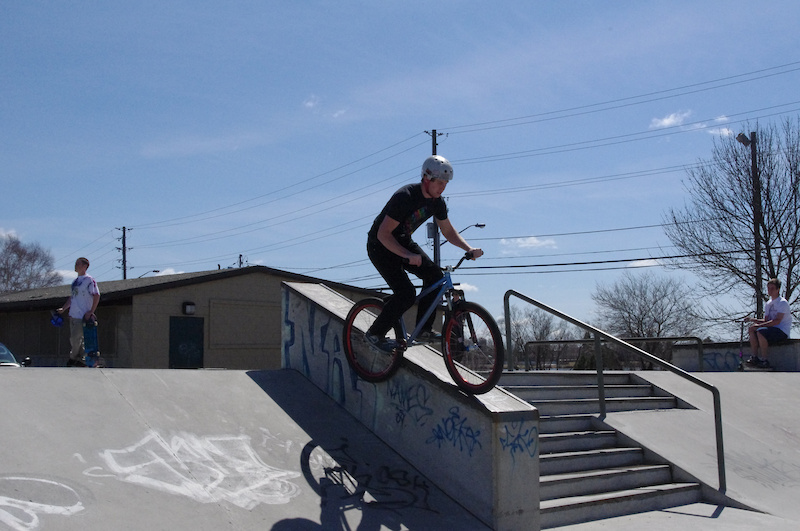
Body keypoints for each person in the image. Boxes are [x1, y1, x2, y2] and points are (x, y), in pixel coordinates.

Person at [365, 155, 483, 351]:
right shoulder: (405, 197)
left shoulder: (437, 202)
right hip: (380, 246)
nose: (443, 187)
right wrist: (407, 255)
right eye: (440, 183)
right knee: (406, 293)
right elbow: (383, 234)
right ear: (426, 178)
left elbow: (448, 231)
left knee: (436, 278)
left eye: (446, 183)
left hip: (402, 242)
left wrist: (468, 249)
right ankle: (374, 333)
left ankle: (423, 329)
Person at [57, 257, 100, 367]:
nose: (76, 266)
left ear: (85, 266)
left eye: (78, 264)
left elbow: (96, 295)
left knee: (76, 338)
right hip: (73, 315)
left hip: (82, 315)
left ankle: (72, 358)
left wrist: (91, 311)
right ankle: (81, 359)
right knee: (75, 339)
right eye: (76, 264)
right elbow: (72, 298)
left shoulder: (89, 280)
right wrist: (64, 308)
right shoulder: (75, 282)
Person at [745, 278, 792, 369]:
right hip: (770, 329)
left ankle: (764, 360)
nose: (769, 291)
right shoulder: (768, 304)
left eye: (772, 288)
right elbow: (766, 321)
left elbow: (776, 321)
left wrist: (759, 326)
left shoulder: (782, 303)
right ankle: (755, 357)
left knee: (760, 331)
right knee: (752, 329)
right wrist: (752, 320)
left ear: (778, 290)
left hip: (781, 331)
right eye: (768, 288)